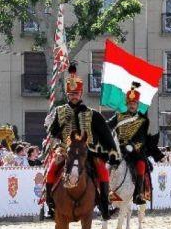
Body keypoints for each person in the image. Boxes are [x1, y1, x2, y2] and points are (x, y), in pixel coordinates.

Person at [45, 63, 120, 220]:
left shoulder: (92, 114)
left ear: (81, 94)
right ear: (67, 94)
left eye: (76, 93)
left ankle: (105, 207)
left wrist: (112, 152)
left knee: (102, 172)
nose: (74, 96)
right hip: (66, 150)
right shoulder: (59, 112)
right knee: (51, 170)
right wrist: (63, 123)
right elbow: (52, 132)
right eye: (71, 93)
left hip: (89, 151)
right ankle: (50, 204)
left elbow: (106, 134)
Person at [107, 83, 151, 205]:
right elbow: (108, 126)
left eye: (134, 103)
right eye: (130, 103)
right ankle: (105, 192)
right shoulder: (119, 116)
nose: (132, 105)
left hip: (135, 150)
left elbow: (142, 137)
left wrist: (133, 146)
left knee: (141, 165)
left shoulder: (142, 119)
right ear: (127, 104)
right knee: (107, 165)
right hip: (119, 149)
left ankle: (138, 194)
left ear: (137, 105)